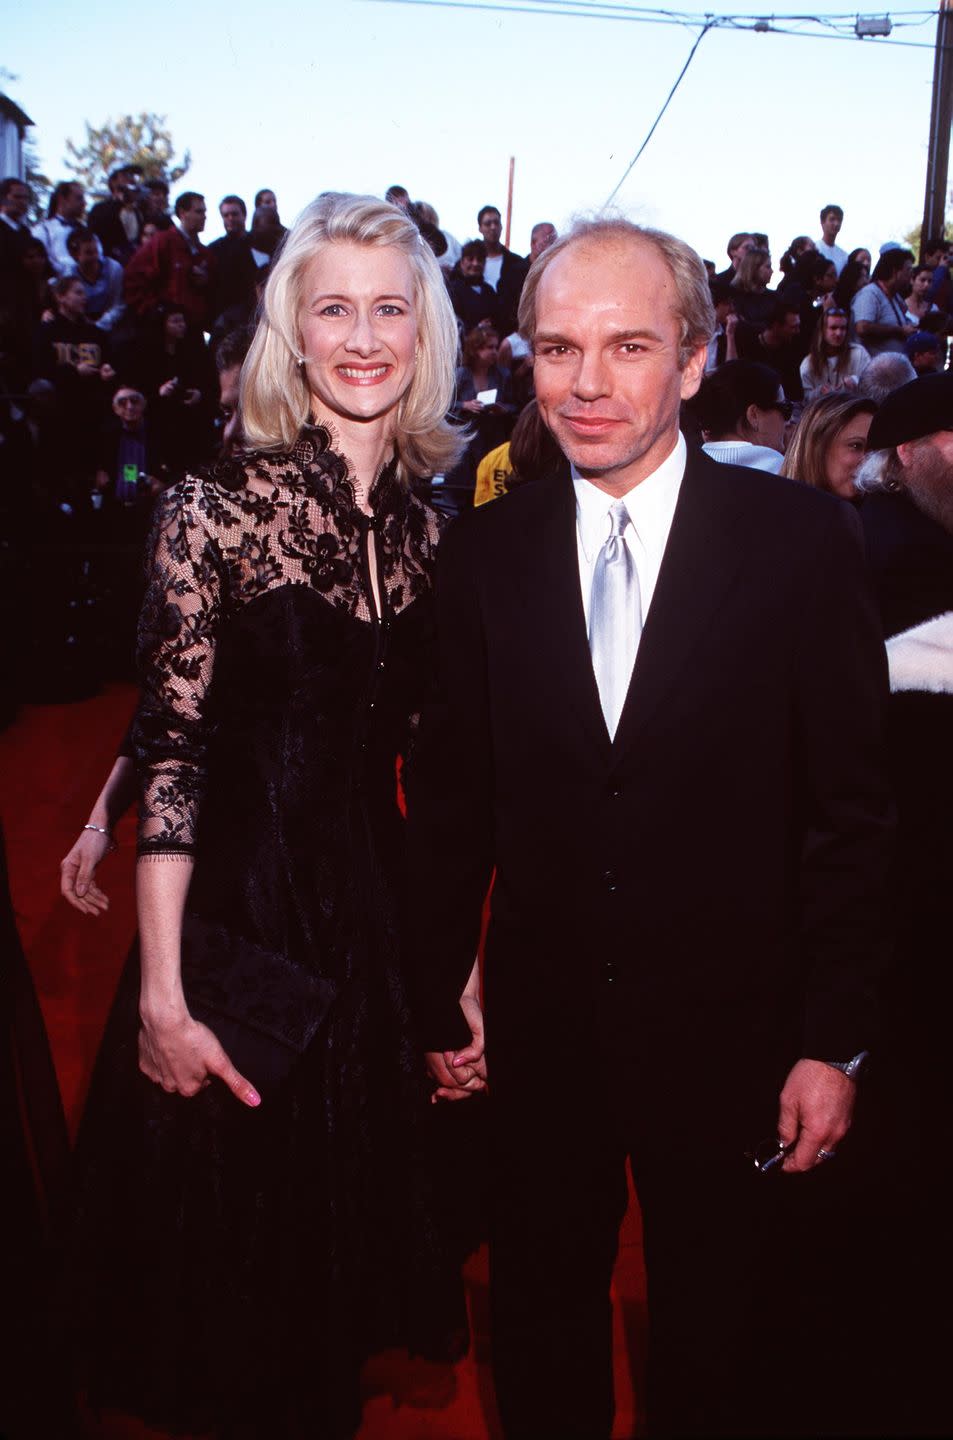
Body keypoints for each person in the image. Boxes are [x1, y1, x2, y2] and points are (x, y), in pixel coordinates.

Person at [406, 216, 891, 1439]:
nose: (585, 384)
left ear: (691, 357)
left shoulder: (798, 546)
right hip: (541, 1029)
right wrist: (440, 981)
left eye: (627, 347)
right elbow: (455, 800)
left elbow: (849, 813)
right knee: (542, 1321)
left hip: (739, 1034)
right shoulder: (482, 554)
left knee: (716, 1340)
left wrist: (831, 1043)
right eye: (557, 348)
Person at [68, 192, 480, 1440]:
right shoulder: (214, 507)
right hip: (234, 927)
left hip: (361, 932)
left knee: (329, 1294)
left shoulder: (429, 532)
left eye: (388, 310)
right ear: (291, 335)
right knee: (232, 1300)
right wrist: (160, 999)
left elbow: (435, 780)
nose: (362, 337)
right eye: (332, 308)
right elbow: (179, 738)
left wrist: (448, 971)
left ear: (425, 336)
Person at [123, 190, 214, 329]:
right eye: (199, 212)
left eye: (204, 212)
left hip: (193, 330)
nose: (204, 217)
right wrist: (157, 311)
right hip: (163, 332)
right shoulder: (162, 242)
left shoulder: (205, 253)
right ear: (183, 213)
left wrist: (206, 282)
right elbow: (132, 277)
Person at [691, 357, 789, 472]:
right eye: (786, 409)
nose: (788, 421)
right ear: (754, 416)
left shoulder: (684, 469)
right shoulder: (783, 471)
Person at [781, 391, 877, 498]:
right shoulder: (772, 508)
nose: (870, 461)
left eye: (874, 450)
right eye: (856, 446)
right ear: (817, 447)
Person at [851, 246, 915, 357]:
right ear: (895, 272)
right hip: (875, 369)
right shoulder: (869, 294)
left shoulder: (895, 296)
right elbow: (862, 327)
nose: (911, 275)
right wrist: (899, 330)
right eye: (908, 270)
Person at [799, 304, 870, 399]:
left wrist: (855, 381)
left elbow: (871, 384)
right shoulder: (808, 363)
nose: (839, 333)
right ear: (823, 330)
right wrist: (819, 392)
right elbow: (805, 398)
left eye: (843, 328)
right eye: (833, 328)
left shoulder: (859, 353)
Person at [32, 180, 89, 277]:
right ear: (62, 200)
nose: (84, 203)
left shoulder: (86, 230)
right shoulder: (43, 230)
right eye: (79, 198)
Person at [728, 246, 775, 327]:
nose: (772, 271)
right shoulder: (734, 296)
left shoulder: (773, 298)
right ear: (754, 268)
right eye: (768, 267)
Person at [816, 202, 848, 274]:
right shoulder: (815, 249)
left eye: (839, 220)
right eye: (832, 219)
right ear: (822, 222)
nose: (836, 224)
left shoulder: (844, 256)